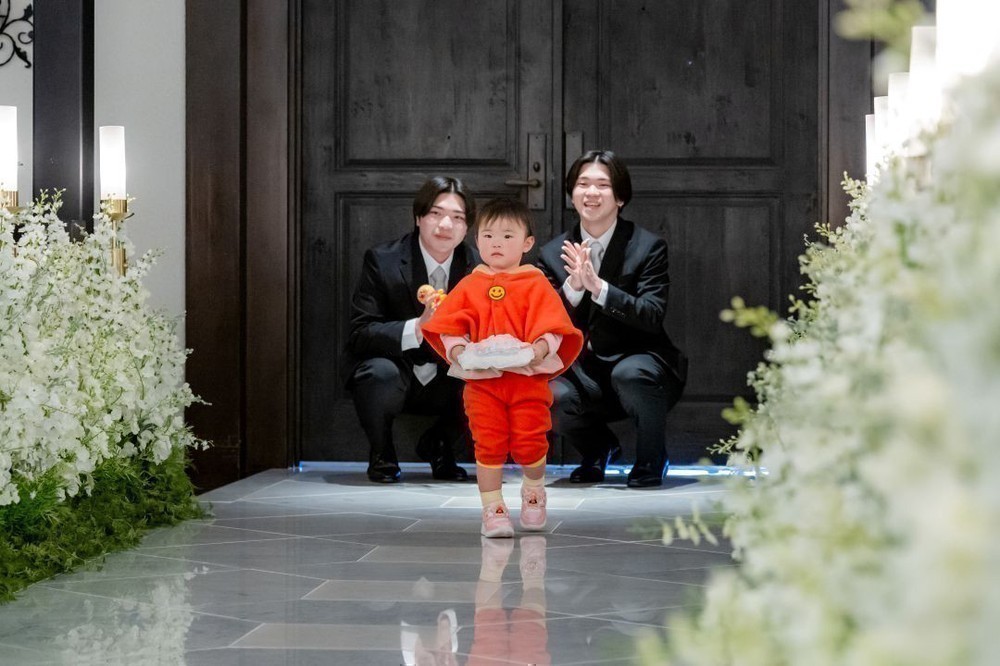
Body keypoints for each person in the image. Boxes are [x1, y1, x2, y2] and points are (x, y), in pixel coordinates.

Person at [421, 199, 583, 537]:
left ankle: (534, 490)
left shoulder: (536, 282)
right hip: (483, 382)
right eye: (488, 235)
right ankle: (493, 508)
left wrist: (540, 348)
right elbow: (449, 327)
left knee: (531, 441)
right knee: (488, 443)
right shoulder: (470, 284)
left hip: (527, 381)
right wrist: (459, 350)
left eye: (508, 236)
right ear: (477, 240)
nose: (496, 243)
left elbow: (554, 328)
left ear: (527, 243)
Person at [537, 150, 687, 488]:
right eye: (583, 184)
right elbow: (543, 321)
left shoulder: (647, 247)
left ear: (620, 197)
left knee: (630, 373)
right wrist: (574, 288)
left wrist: (600, 288)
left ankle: (652, 458)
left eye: (602, 185)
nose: (591, 193)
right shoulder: (552, 252)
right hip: (581, 369)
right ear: (572, 195)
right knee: (545, 394)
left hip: (638, 361)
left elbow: (651, 314)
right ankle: (597, 450)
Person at [344, 176, 478, 483]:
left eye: (457, 218)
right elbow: (361, 333)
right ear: (418, 217)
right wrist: (418, 327)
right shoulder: (383, 260)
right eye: (435, 213)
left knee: (496, 375)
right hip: (398, 366)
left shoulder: (478, 267)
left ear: (466, 228)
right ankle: (382, 454)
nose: (445, 225)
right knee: (378, 374)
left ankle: (441, 445)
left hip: (450, 371)